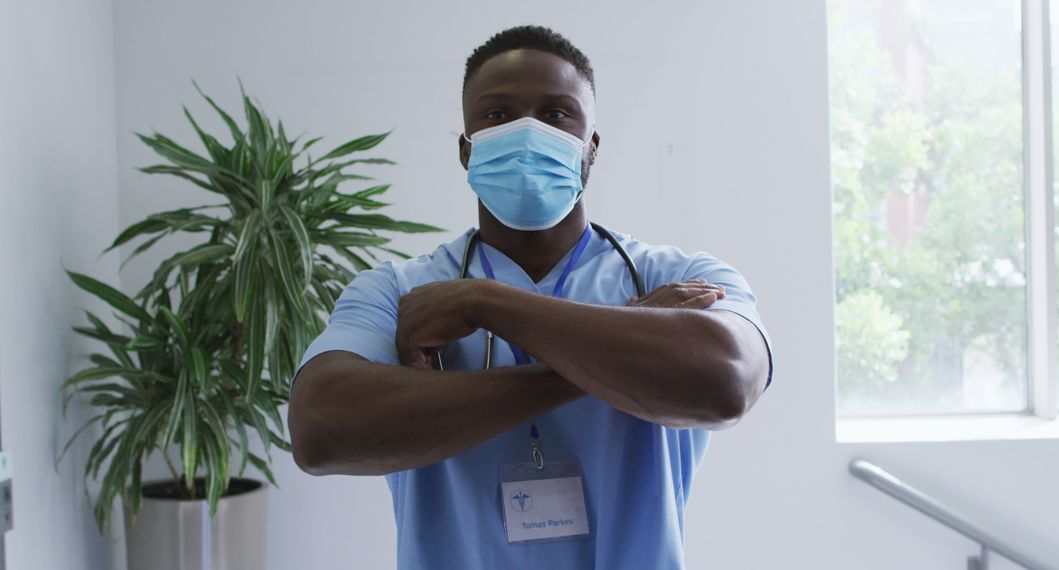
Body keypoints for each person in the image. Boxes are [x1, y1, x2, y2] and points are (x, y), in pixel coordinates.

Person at [288, 25, 774, 570]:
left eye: (556, 113)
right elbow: (319, 427)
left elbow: (728, 380)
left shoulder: (677, 275)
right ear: (465, 149)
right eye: (497, 114)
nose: (527, 132)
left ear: (591, 146)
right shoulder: (397, 291)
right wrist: (600, 356)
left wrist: (484, 303)